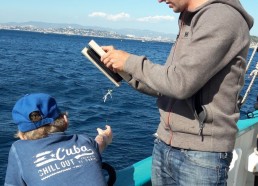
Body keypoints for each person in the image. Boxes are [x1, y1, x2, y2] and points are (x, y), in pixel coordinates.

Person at [100, 0, 253, 185]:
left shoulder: (221, 17)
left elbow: (179, 83)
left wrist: (128, 61)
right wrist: (124, 71)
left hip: (201, 154)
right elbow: (167, 84)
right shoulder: (189, 19)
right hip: (164, 143)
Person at [5, 93, 112, 186]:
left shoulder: (19, 149)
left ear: (22, 135)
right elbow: (99, 144)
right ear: (65, 120)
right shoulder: (85, 141)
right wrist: (104, 137)